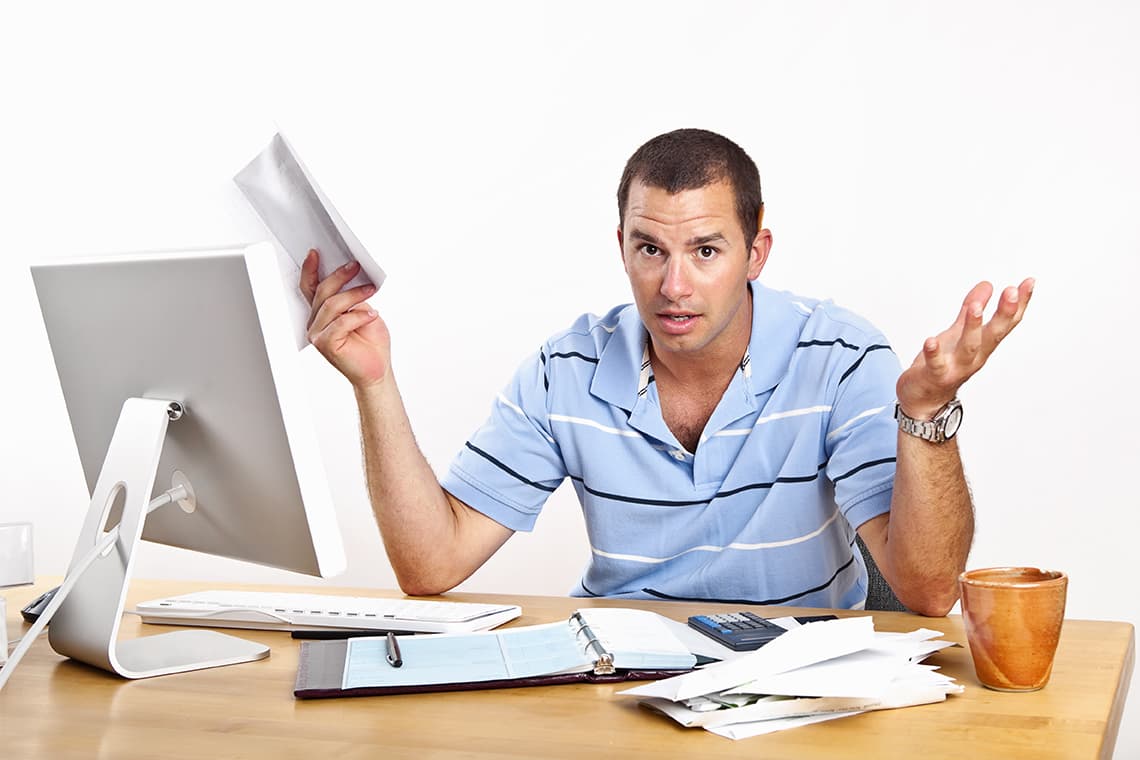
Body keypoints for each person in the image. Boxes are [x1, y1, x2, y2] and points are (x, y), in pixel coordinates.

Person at [300, 129, 1032, 616]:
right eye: (650, 250)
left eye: (706, 251)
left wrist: (929, 410)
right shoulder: (566, 371)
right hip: (620, 679)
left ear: (758, 251)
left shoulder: (839, 358)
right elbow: (432, 565)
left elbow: (930, 592)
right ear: (621, 246)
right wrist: (373, 382)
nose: (674, 286)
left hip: (801, 685)